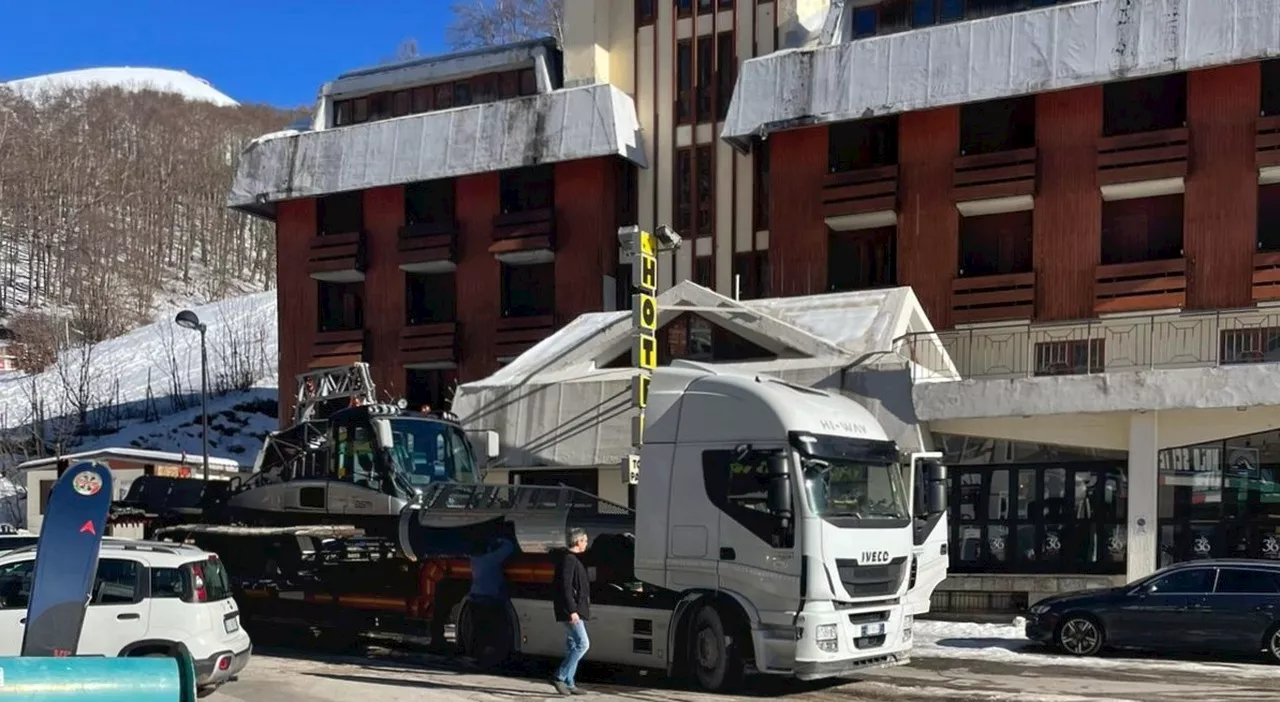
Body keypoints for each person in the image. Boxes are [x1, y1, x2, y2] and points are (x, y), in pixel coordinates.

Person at [551, 527, 591, 696]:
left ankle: (570, 682)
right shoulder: (569, 560)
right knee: (583, 644)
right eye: (585, 540)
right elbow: (566, 587)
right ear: (578, 541)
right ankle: (559, 676)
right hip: (570, 611)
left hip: (571, 609)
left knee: (573, 645)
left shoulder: (569, 559)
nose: (586, 544)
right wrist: (573, 610)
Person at [468, 535, 516, 665]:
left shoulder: (474, 559)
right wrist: (499, 540)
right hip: (489, 599)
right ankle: (489, 656)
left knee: (479, 629)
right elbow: (509, 547)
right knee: (493, 628)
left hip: (475, 598)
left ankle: (478, 656)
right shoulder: (491, 559)